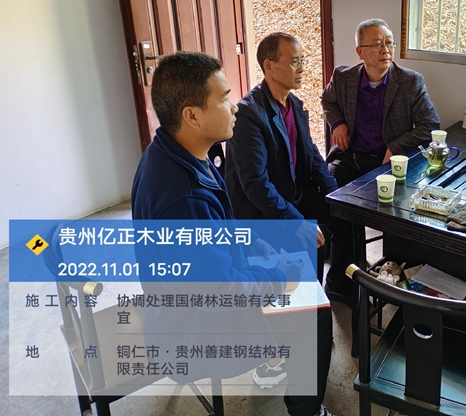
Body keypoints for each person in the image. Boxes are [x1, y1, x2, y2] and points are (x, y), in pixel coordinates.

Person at [132, 51, 336, 416]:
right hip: (193, 331)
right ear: (192, 116)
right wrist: (278, 278)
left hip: (186, 302)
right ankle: (307, 411)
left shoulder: (173, 151)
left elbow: (221, 233)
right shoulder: (183, 199)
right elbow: (220, 291)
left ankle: (275, 358)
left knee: (293, 266)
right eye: (224, 98)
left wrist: (257, 246)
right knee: (314, 311)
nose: (234, 107)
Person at [320, 18, 440, 303]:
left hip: (389, 165)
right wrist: (338, 123)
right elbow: (327, 100)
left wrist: (395, 147)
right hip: (350, 158)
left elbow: (430, 125)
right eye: (376, 44)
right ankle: (342, 284)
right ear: (360, 52)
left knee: (402, 219)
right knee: (333, 201)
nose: (385, 49)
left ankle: (396, 283)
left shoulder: (409, 82)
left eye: (388, 42)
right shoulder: (344, 77)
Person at [224, 32, 346, 285]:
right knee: (309, 241)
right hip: (261, 209)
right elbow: (256, 185)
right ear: (269, 66)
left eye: (302, 61)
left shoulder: (294, 103)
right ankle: (308, 302)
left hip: (291, 192)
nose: (301, 69)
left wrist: (334, 193)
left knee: (346, 215)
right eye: (293, 62)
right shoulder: (248, 114)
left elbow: (311, 152)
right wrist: (297, 222)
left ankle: (341, 285)